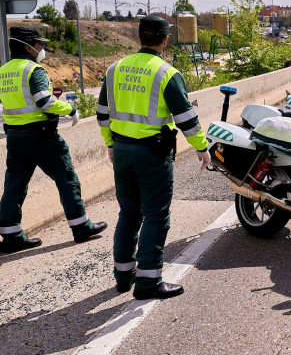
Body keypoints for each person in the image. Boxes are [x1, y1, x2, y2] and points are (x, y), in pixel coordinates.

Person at [97, 16, 211, 300]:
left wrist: (111, 144)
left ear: (139, 37)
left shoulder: (114, 69)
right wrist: (201, 147)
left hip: (122, 151)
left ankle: (124, 275)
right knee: (156, 215)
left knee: (129, 212)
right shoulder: (166, 73)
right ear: (166, 40)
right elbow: (186, 117)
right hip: (151, 154)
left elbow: (102, 114)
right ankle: (148, 283)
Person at [0, 27, 107, 253]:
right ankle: (81, 227)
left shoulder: (4, 71)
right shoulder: (33, 70)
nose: (42, 48)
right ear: (27, 46)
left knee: (14, 185)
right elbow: (44, 101)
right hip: (41, 135)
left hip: (15, 137)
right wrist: (70, 109)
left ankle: (10, 237)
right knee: (66, 177)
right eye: (39, 44)